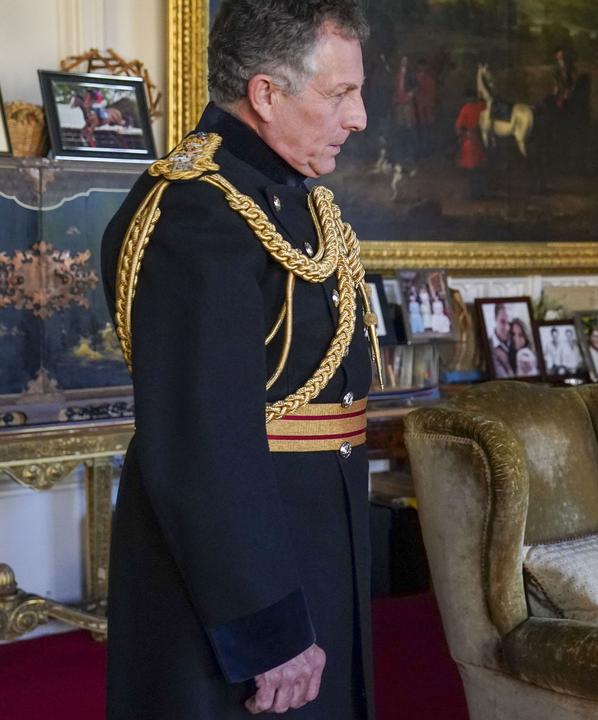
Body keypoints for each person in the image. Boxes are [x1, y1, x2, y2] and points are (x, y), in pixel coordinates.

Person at [99, 1, 380, 717]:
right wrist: (267, 626)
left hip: (312, 545)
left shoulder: (292, 200)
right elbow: (201, 442)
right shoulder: (195, 212)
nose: (360, 118)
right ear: (265, 93)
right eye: (340, 93)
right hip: (236, 583)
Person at [454, 85, 487, 200]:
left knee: (472, 170)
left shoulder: (466, 109)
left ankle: (474, 194)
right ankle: (479, 192)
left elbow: (459, 127)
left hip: (470, 142)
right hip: (480, 140)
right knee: (479, 169)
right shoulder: (482, 107)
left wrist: (462, 135)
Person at [490, 304, 515, 378]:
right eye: (503, 322)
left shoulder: (518, 342)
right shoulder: (488, 346)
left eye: (510, 323)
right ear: (495, 319)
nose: (507, 328)